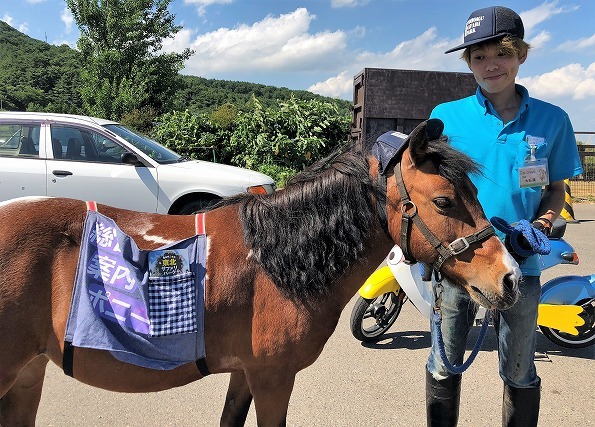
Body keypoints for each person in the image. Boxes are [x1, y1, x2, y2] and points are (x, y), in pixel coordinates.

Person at [426, 6, 583, 427]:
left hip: (521, 264)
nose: (490, 65)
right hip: (457, 264)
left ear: (520, 56)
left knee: (519, 371)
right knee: (444, 364)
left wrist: (542, 226)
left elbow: (554, 190)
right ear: (469, 64)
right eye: (479, 57)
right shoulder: (446, 117)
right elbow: (426, 191)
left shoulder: (553, 120)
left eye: (501, 53)